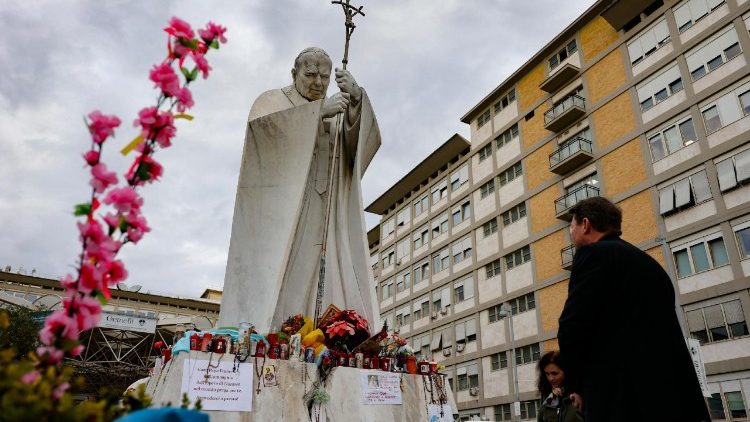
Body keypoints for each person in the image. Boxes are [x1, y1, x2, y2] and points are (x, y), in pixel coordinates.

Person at [218, 47, 381, 332]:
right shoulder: (271, 102)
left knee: (328, 273)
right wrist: (316, 114)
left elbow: (359, 150)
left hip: (328, 210)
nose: (318, 82)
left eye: (325, 76)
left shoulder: (337, 108)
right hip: (287, 211)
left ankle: (328, 332)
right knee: (286, 274)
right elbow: (264, 137)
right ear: (294, 74)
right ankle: (274, 331)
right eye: (310, 75)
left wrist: (356, 102)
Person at [557, 197, 710, 421]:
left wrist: (575, 385)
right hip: (671, 392)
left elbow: (572, 325)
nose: (571, 233)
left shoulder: (593, 255)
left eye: (572, 226)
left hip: (622, 395)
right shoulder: (650, 265)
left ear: (586, 224)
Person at [536, 351, 583, 422]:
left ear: (566, 372)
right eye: (547, 374)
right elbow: (541, 418)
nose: (550, 378)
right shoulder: (548, 394)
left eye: (554, 373)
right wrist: (551, 398)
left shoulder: (579, 393)